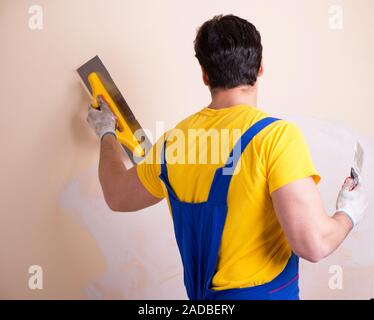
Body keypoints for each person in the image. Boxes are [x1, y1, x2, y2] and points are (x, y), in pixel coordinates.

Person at [86, 14, 368, 300]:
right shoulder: (276, 138)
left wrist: (107, 132)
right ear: (260, 69)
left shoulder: (173, 142)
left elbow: (116, 195)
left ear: (205, 76)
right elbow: (314, 244)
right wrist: (348, 213)